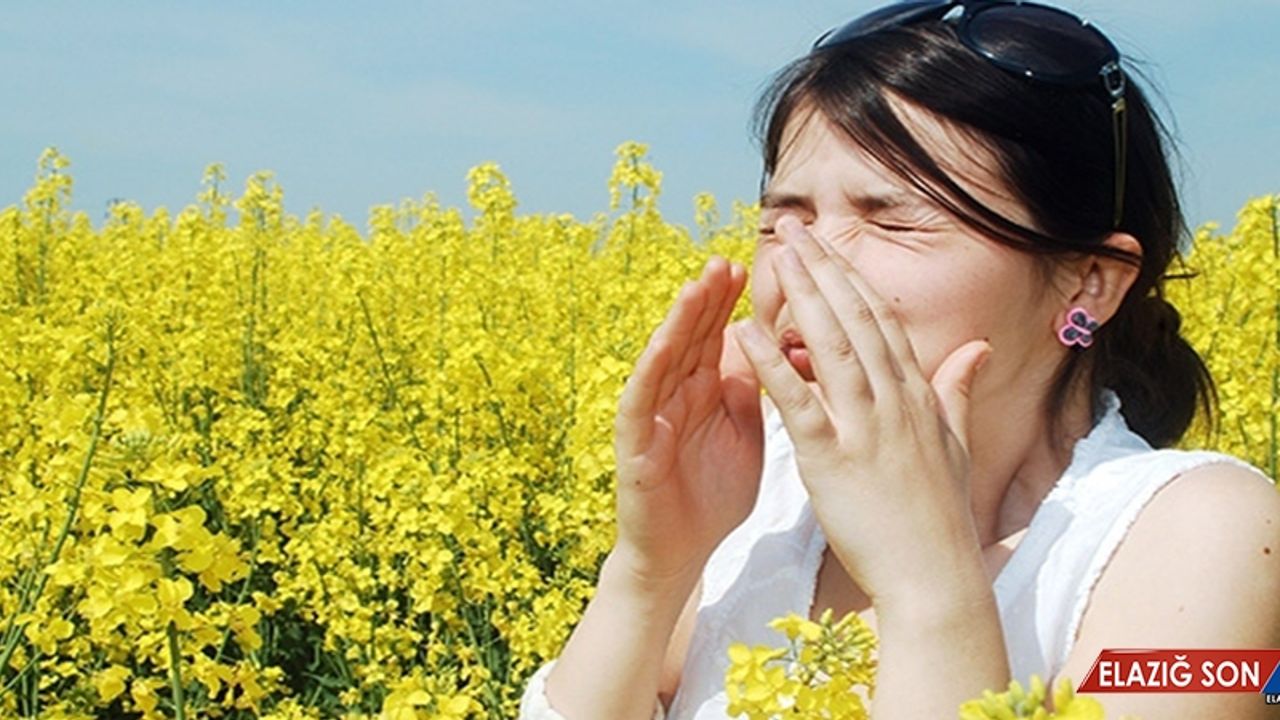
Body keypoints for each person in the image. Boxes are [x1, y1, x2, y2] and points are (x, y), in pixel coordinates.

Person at [519, 1, 1280, 717]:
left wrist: (928, 588)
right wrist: (652, 569)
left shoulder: (1212, 535)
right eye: (784, 222)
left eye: (892, 221)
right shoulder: (765, 499)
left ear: (1090, 282)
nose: (806, 267)